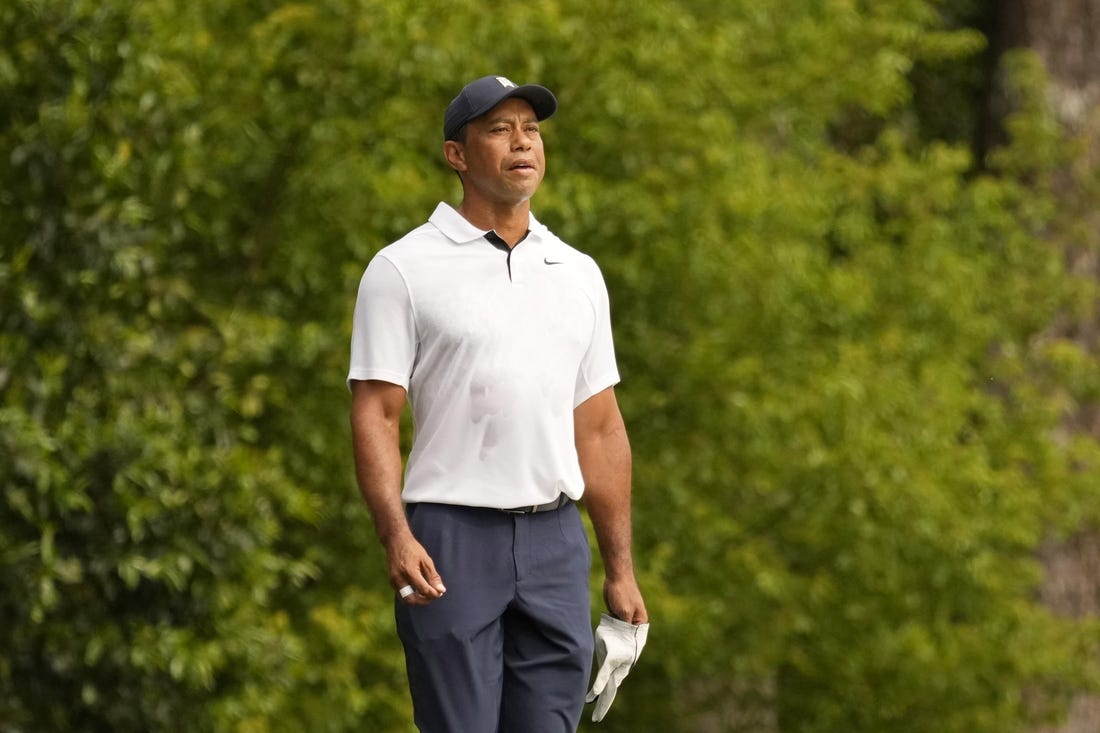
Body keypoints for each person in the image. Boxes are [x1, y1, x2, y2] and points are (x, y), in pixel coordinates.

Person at [348, 74, 649, 733]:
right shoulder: (401, 269)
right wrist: (395, 533)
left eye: (532, 130)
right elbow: (376, 413)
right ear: (457, 155)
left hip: (555, 542)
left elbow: (598, 430)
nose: (523, 143)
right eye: (499, 129)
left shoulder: (577, 274)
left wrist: (620, 570)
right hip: (449, 542)